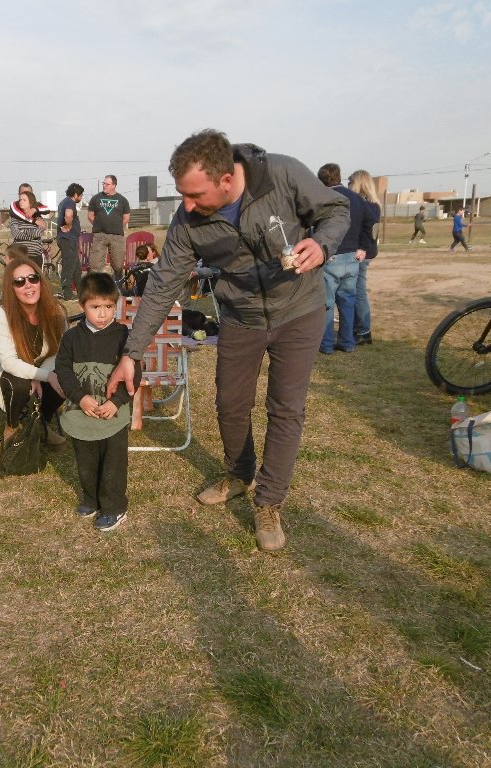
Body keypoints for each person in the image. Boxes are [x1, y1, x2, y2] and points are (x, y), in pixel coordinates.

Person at [106, 129, 349, 552]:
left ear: (225, 180)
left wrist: (323, 245)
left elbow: (336, 209)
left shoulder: (281, 174)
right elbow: (163, 285)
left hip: (299, 311)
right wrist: (131, 352)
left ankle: (269, 501)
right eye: (182, 194)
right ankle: (239, 474)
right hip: (239, 316)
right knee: (230, 404)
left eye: (195, 195)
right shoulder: (188, 222)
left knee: (285, 408)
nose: (186, 206)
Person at [55, 272, 141, 532]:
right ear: (82, 306)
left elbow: (134, 373)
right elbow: (63, 371)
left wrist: (117, 402)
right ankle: (91, 498)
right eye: (95, 307)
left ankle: (114, 507)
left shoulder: (124, 336)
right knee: (86, 460)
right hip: (81, 412)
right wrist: (80, 399)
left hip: (112, 415)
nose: (103, 314)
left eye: (108, 307)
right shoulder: (71, 338)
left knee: (113, 462)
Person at [0, 245, 67, 445]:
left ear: (40, 281)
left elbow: (56, 352)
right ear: (11, 288)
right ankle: (13, 426)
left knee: (65, 376)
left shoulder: (54, 312)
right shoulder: (4, 314)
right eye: (19, 282)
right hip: (3, 369)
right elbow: (9, 363)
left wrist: (41, 375)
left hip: (40, 365)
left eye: (32, 278)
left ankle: (41, 424)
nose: (28, 285)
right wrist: (39, 376)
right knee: (19, 383)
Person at [317, 162, 372, 354]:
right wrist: (363, 247)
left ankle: (326, 344)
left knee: (327, 303)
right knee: (348, 301)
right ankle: (348, 342)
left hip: (332, 256)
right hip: (352, 257)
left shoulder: (325, 198)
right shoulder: (357, 199)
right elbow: (368, 223)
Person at [348, 169, 382, 346]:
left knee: (358, 291)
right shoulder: (372, 204)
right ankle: (358, 327)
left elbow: (371, 230)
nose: (348, 185)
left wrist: (362, 248)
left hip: (362, 253)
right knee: (354, 291)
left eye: (351, 182)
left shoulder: (365, 204)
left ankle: (363, 330)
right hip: (364, 251)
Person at [87, 175, 130, 277]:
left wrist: (115, 226)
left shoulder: (122, 200)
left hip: (117, 237)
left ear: (114, 185)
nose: (104, 186)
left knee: (118, 266)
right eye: (104, 183)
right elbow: (90, 216)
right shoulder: (96, 198)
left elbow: (126, 218)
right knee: (95, 266)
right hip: (99, 236)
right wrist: (100, 225)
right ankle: (96, 289)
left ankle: (117, 289)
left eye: (107, 184)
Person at [57, 183, 84, 301]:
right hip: (68, 239)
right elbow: (68, 215)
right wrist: (69, 225)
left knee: (76, 268)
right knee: (68, 266)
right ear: (76, 194)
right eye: (81, 195)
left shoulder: (64, 201)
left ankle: (81, 292)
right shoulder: (69, 202)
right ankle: (67, 293)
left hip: (70, 239)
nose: (81, 198)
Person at [8, 190, 48, 265]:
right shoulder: (14, 218)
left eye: (24, 200)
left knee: (36, 276)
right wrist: (32, 235)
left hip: (36, 255)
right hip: (19, 255)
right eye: (20, 199)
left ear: (31, 202)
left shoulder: (38, 218)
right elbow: (16, 234)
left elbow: (38, 233)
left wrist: (23, 230)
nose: (21, 202)